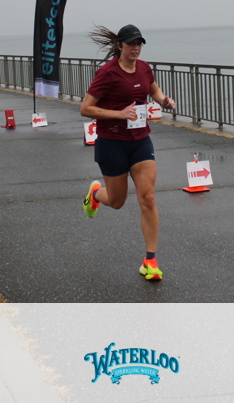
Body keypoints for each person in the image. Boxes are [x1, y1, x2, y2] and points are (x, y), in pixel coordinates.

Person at [79, 24, 176, 281]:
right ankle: (96, 194)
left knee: (148, 197)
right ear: (120, 45)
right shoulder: (107, 73)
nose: (136, 48)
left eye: (139, 43)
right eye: (131, 43)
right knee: (117, 201)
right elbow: (86, 108)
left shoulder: (144, 68)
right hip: (112, 143)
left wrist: (163, 100)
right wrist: (119, 114)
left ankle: (150, 260)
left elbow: (153, 89)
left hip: (140, 141)